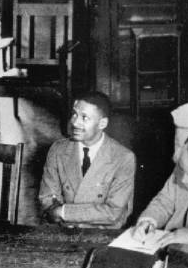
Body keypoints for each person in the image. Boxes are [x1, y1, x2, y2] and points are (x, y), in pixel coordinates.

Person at [38, 91, 136, 229]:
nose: (75, 122)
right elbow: (47, 197)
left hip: (102, 235)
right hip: (64, 231)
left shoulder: (123, 158)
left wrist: (64, 213)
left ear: (102, 123)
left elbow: (114, 212)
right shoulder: (58, 150)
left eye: (84, 118)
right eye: (74, 114)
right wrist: (64, 219)